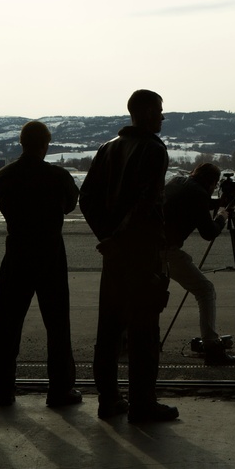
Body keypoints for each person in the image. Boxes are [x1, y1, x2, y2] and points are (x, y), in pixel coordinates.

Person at [80, 89, 178, 423]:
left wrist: (106, 237)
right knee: (144, 330)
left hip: (114, 254)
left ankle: (108, 400)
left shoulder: (107, 148)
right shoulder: (152, 149)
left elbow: (87, 198)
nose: (163, 117)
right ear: (148, 112)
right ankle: (143, 403)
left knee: (108, 329)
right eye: (160, 111)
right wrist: (122, 239)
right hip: (140, 252)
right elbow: (146, 204)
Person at [0, 121, 81, 408]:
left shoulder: (4, 176)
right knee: (57, 325)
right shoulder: (57, 175)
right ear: (45, 145)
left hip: (16, 251)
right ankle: (59, 388)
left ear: (21, 143)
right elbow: (69, 205)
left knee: (8, 323)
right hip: (50, 253)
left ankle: (4, 388)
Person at [163, 162, 235, 365]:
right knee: (205, 290)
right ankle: (212, 347)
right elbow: (209, 233)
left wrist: (217, 203)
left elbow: (192, 203)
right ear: (212, 182)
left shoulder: (179, 182)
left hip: (149, 246)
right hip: (166, 250)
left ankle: (125, 341)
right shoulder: (198, 194)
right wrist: (222, 215)